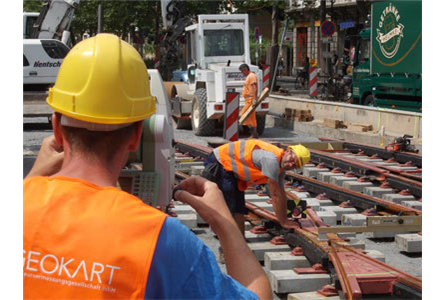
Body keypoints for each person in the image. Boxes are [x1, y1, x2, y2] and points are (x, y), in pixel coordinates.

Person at [23, 34, 272, 300]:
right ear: (136, 135)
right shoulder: (163, 240)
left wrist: (32, 180)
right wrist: (225, 225)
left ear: (56, 129)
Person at [202, 139, 311, 236]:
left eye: (295, 165)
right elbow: (275, 194)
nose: (290, 165)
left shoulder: (280, 168)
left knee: (239, 207)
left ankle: (240, 240)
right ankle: (226, 243)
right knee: (229, 207)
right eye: (292, 159)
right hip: (220, 161)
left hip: (233, 171)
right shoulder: (271, 160)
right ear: (287, 151)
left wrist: (286, 218)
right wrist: (283, 221)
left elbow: (281, 192)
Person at [238, 64, 259, 138]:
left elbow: (255, 87)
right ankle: (254, 134)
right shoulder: (250, 76)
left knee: (243, 115)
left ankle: (253, 132)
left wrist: (255, 99)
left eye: (242, 71)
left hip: (250, 100)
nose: (242, 73)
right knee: (251, 118)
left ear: (245, 69)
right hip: (249, 100)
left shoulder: (251, 76)